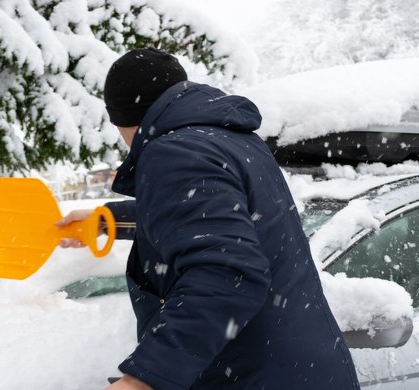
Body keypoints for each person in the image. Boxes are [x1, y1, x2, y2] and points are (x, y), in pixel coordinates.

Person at [57, 47, 359, 390]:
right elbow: (206, 216)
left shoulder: (173, 151)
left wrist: (142, 379)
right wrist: (107, 221)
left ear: (123, 120)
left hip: (251, 375)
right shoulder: (232, 138)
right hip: (302, 368)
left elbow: (226, 272)